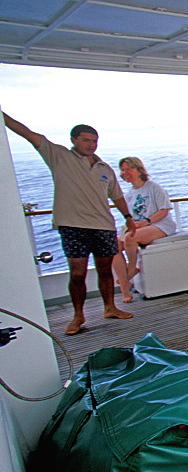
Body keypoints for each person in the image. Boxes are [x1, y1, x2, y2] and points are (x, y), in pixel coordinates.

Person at [3, 113, 135, 334]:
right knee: (77, 273)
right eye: (86, 140)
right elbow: (27, 133)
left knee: (105, 270)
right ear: (73, 140)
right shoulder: (59, 156)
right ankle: (78, 316)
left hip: (103, 225)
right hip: (72, 226)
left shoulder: (104, 168)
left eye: (94, 141)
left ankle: (110, 307)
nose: (91, 145)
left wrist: (128, 218)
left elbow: (117, 196)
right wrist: (3, 116)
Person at [111, 157, 177, 302]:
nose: (125, 172)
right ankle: (124, 287)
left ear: (139, 170)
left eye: (129, 169)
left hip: (161, 224)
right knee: (113, 244)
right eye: (123, 170)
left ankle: (131, 269)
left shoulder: (153, 187)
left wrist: (145, 222)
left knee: (130, 238)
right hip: (141, 226)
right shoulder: (129, 194)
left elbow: (164, 210)